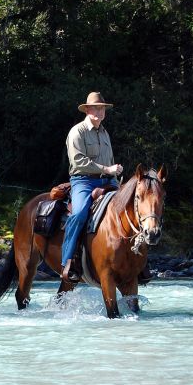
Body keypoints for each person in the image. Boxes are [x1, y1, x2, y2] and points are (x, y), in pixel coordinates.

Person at [61, 92, 122, 283]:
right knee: (79, 214)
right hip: (83, 181)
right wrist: (107, 168)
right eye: (96, 107)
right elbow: (78, 162)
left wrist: (115, 173)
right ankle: (68, 262)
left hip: (108, 181)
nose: (100, 111)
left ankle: (138, 264)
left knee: (132, 208)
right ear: (87, 109)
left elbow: (110, 160)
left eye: (102, 108)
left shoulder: (105, 132)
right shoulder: (77, 132)